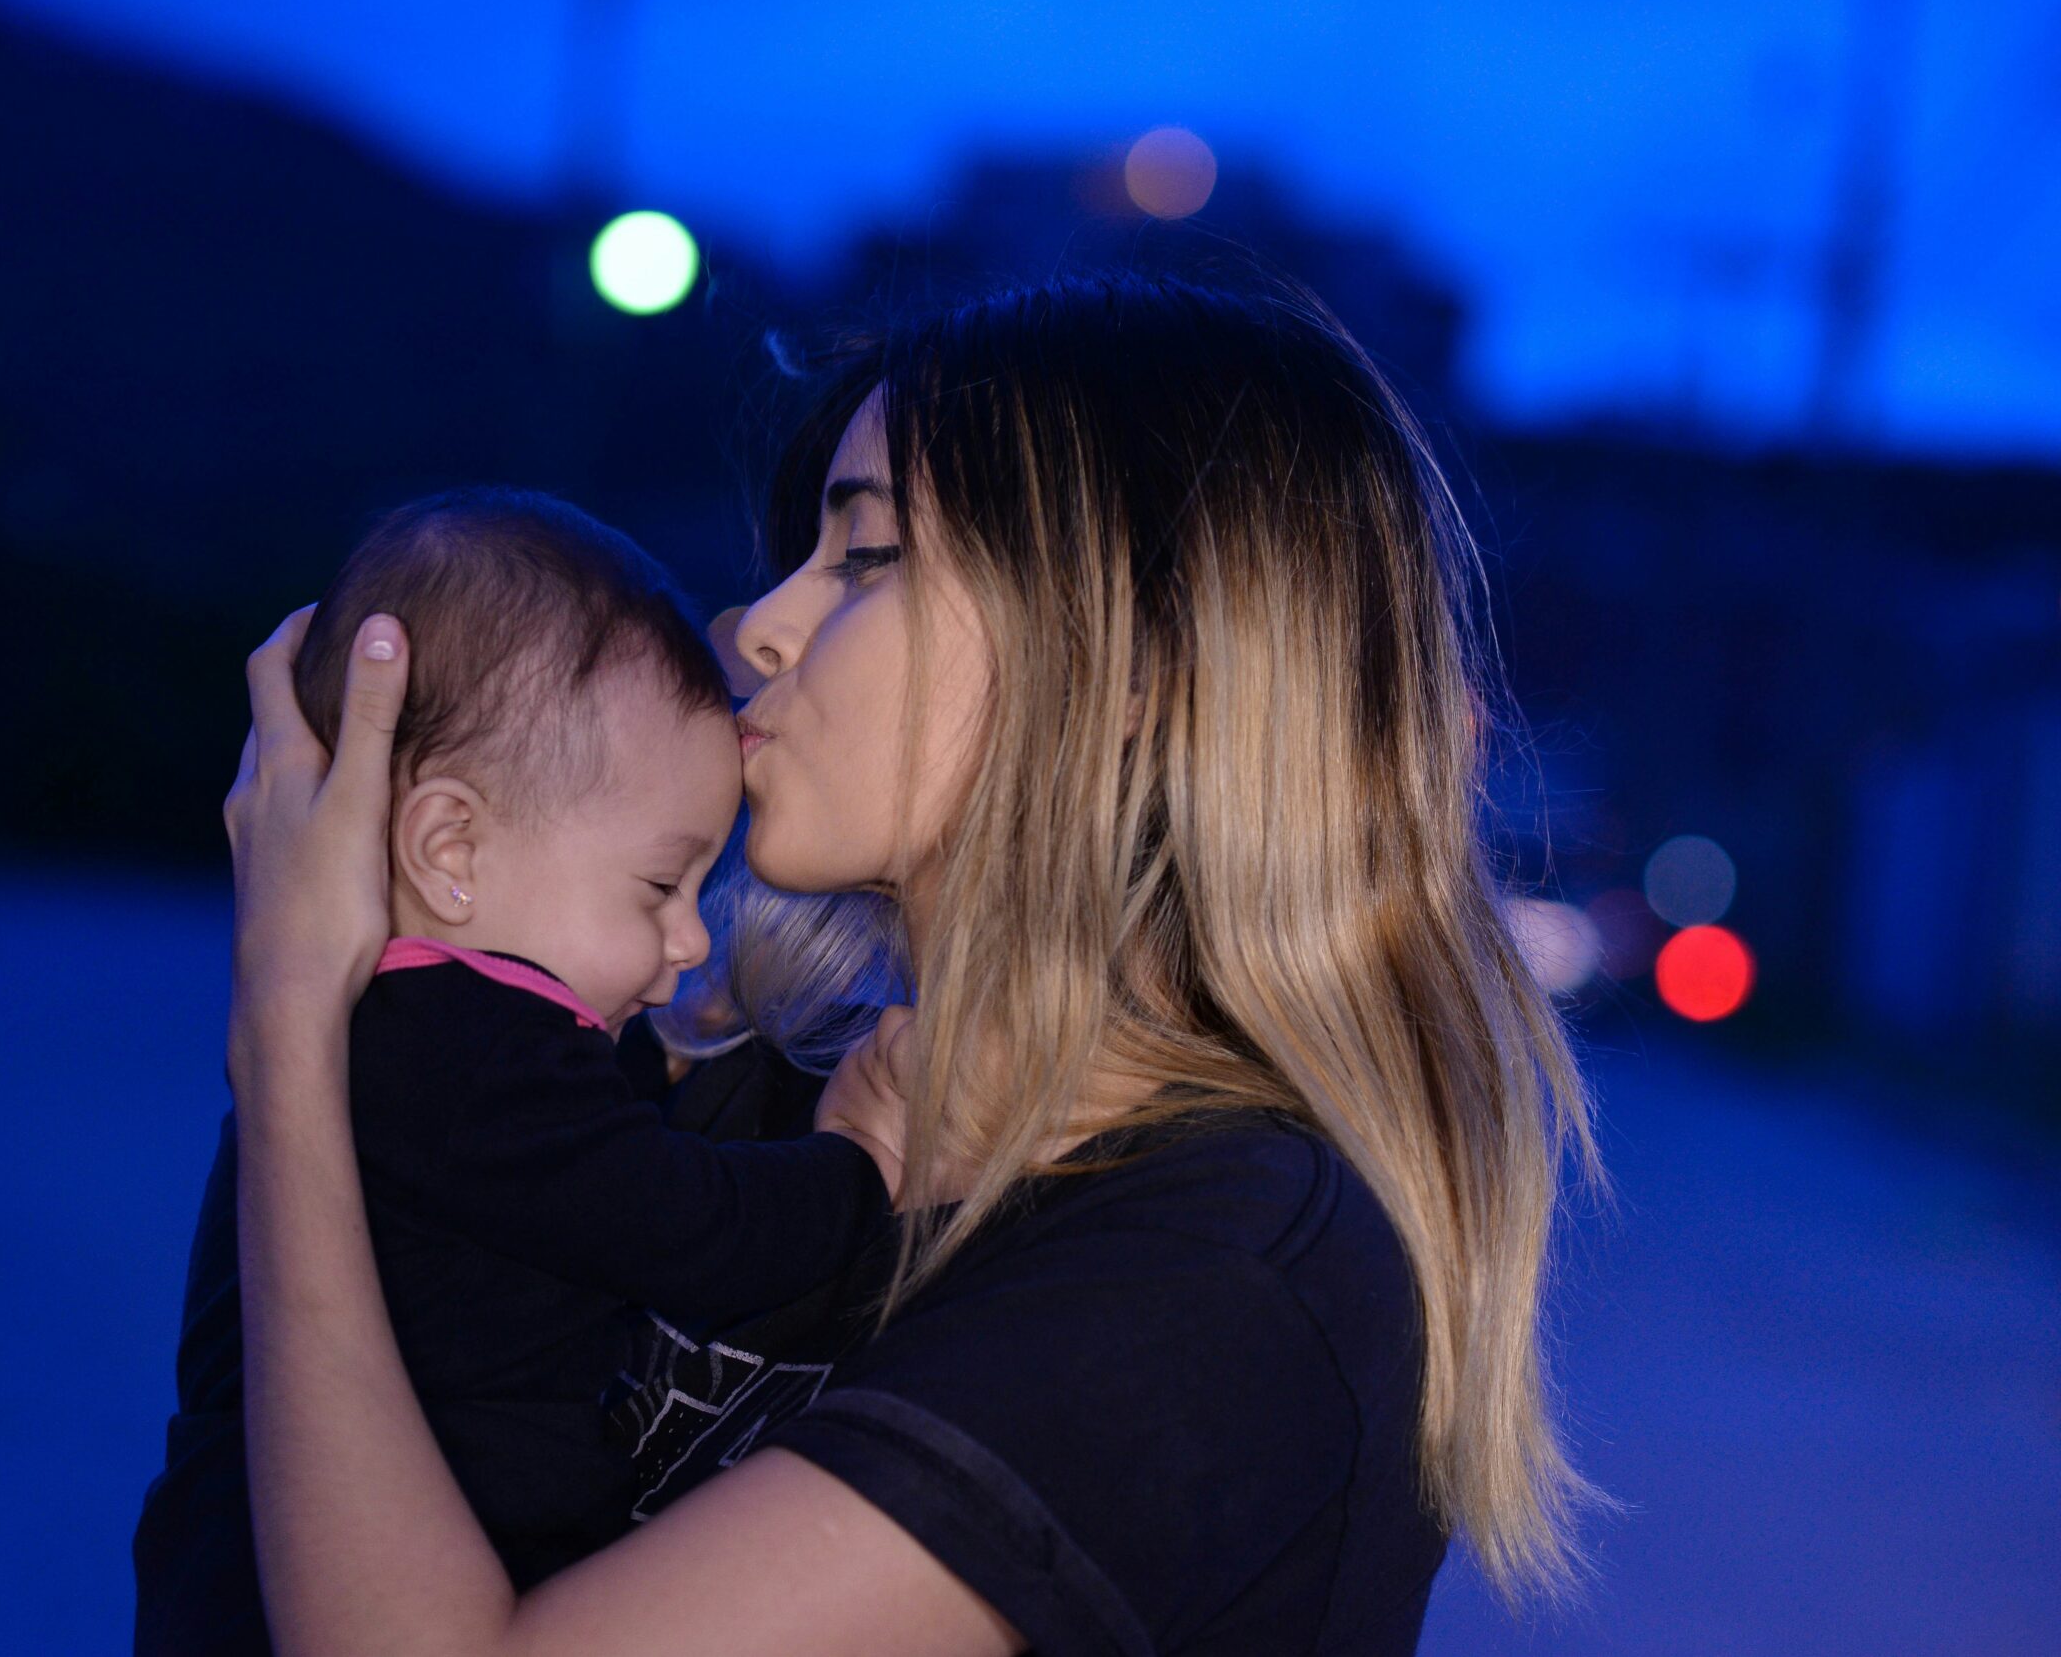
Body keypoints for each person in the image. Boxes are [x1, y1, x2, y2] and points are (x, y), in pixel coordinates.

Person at [217, 272, 1605, 1655]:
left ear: (1144, 667)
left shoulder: (1218, 1277)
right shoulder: (753, 1091)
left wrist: (295, 1029)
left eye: (868, 561)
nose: (758, 627)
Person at [132, 490, 908, 1653]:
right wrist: (863, 1166)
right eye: (659, 887)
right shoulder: (457, 1043)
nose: (690, 939)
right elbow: (688, 1229)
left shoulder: (404, 1028)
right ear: (451, 852)